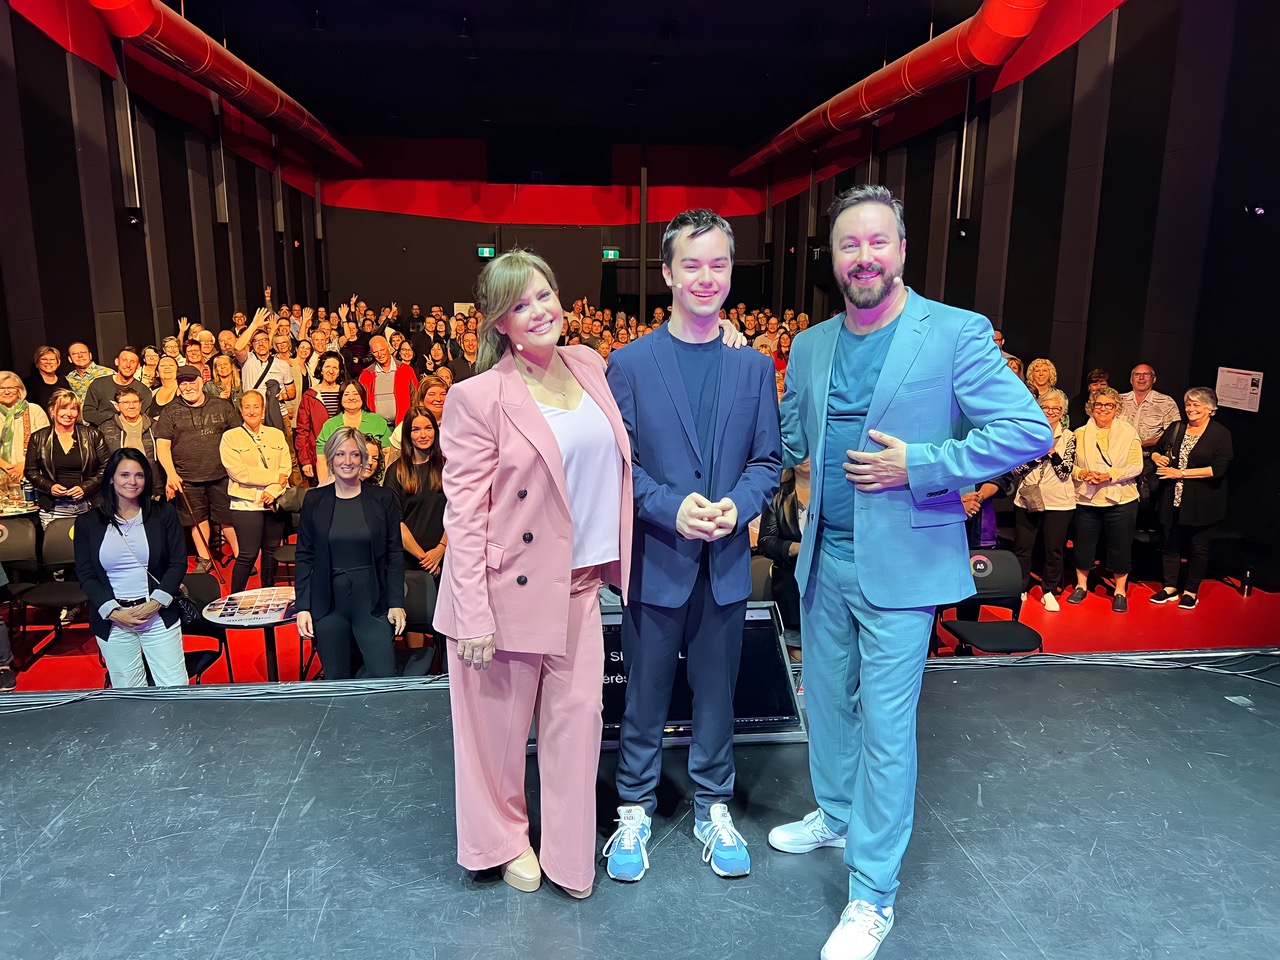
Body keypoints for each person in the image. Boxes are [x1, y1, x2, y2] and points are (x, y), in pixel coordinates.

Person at [774, 185, 1051, 960]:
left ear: (901, 249)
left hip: (902, 570)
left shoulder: (955, 333)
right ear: (833, 260)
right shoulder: (811, 344)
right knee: (825, 704)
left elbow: (1027, 427)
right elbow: (794, 433)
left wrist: (922, 465)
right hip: (823, 559)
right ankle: (834, 815)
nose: (863, 257)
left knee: (887, 731)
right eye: (848, 246)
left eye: (877, 242)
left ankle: (872, 896)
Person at [434, 249, 634, 900]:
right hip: (503, 591)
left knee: (578, 729)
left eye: (544, 294)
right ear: (499, 323)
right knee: (496, 739)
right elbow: (463, 516)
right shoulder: (476, 397)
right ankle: (504, 840)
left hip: (579, 588)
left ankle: (568, 856)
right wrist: (470, 614)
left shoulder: (590, 365)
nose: (539, 310)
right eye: (520, 304)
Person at [604, 209, 780, 885]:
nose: (706, 277)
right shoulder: (630, 363)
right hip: (657, 558)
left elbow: (768, 461)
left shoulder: (755, 366)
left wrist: (740, 506)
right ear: (668, 273)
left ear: (730, 272)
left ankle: (713, 806)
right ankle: (634, 808)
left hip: (727, 560)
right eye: (693, 264)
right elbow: (623, 468)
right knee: (644, 697)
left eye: (719, 264)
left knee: (716, 697)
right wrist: (671, 508)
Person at [295, 427, 405, 680]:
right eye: (341, 454)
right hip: (328, 605)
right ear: (331, 459)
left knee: (384, 676)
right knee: (337, 679)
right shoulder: (314, 500)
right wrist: (303, 606)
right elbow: (304, 556)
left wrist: (397, 602)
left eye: (355, 455)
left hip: (373, 603)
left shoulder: (382, 498)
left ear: (364, 459)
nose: (348, 461)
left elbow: (394, 553)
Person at [73, 448, 189, 687]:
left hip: (158, 616)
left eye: (139, 475)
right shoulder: (88, 523)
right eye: (125, 475)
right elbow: (86, 574)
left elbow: (178, 563)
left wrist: (155, 604)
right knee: (129, 695)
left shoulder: (164, 513)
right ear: (111, 477)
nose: (132, 482)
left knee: (175, 690)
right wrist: (114, 612)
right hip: (113, 620)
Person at [1149, 388, 1232, 609]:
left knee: (1198, 547)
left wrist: (1181, 473)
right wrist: (1160, 459)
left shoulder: (1220, 433)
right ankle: (1169, 587)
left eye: (1197, 405)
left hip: (1202, 501)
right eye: (1188, 404)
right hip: (1171, 498)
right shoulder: (1177, 427)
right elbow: (1156, 450)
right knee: (1169, 544)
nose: (1191, 409)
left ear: (1210, 409)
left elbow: (1218, 469)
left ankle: (1191, 590)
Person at [154, 366, 242, 574]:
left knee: (227, 518)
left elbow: (237, 437)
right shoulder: (170, 411)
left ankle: (240, 555)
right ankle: (204, 558)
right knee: (197, 519)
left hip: (222, 474)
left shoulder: (222, 406)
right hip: (187, 478)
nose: (187, 387)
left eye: (191, 381)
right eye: (182, 383)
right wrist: (171, 474)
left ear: (201, 381)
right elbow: (162, 446)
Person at [1065, 385, 1142, 612]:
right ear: (1091, 407)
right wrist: (1082, 474)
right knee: (1083, 545)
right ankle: (1081, 586)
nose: (1103, 409)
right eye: (1099, 404)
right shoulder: (1078, 433)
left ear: (1117, 408)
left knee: (1120, 546)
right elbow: (1070, 465)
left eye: (1109, 405)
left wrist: (1110, 475)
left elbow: (1136, 465)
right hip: (1087, 499)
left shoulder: (1129, 432)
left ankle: (1119, 591)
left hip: (1122, 499)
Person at [383, 405, 447, 667]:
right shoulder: (396, 471)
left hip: (447, 555)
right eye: (416, 429)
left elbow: (461, 512)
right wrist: (423, 556)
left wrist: (441, 548)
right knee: (415, 622)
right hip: (412, 559)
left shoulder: (449, 466)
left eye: (428, 427)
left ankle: (445, 672)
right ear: (407, 434)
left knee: (446, 622)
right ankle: (420, 673)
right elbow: (394, 521)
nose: (423, 434)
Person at [1009, 388, 1076, 610]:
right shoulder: (1026, 434)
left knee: (1053, 550)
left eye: (1056, 408)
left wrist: (1052, 453)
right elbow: (1016, 469)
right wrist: (1038, 456)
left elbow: (1065, 471)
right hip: (1027, 499)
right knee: (1023, 548)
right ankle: (1019, 588)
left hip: (1059, 502)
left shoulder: (1069, 437)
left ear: (1062, 411)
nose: (1050, 412)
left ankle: (1049, 591)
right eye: (1045, 407)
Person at [220, 391, 292, 595]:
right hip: (246, 504)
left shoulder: (276, 434)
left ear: (263, 410)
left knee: (271, 551)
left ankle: (268, 595)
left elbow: (285, 469)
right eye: (247, 407)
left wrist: (273, 490)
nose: (252, 411)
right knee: (248, 554)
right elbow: (239, 473)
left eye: (256, 407)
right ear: (241, 410)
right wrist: (273, 479)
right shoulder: (230, 437)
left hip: (274, 501)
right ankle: (235, 598)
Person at [25, 389, 110, 527]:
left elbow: (107, 467)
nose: (69, 414)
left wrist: (85, 487)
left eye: (74, 409)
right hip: (53, 509)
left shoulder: (93, 435)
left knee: (86, 547)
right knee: (56, 548)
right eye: (63, 408)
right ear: (52, 410)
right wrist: (49, 487)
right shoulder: (38, 438)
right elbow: (30, 471)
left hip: (87, 505)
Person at [757, 459, 810, 660]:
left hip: (828, 586)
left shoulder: (834, 492)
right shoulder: (776, 495)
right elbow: (765, 540)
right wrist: (794, 548)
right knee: (797, 659)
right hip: (790, 591)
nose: (805, 457)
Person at [314, 381, 391, 484]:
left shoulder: (377, 421)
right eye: (346, 394)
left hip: (373, 481)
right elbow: (322, 459)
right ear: (340, 398)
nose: (351, 398)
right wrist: (324, 487)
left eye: (355, 394)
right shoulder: (330, 425)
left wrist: (382, 482)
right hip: (338, 483)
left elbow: (388, 453)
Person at [97, 386, 164, 493]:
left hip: (150, 484)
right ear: (117, 406)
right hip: (119, 486)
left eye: (135, 402)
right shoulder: (105, 428)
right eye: (126, 403)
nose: (131, 406)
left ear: (140, 405)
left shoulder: (155, 426)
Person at [295, 352, 346, 485]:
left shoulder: (346, 393)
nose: (331, 371)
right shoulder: (310, 395)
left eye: (335, 368)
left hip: (344, 455)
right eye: (327, 366)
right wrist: (305, 460)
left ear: (340, 371)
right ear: (321, 369)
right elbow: (303, 430)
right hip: (317, 456)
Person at [0, 371, 50, 495]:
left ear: (19, 390)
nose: (6, 392)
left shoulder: (34, 410)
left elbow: (47, 443)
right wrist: (5, 466)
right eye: (1, 388)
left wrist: (25, 464)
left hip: (30, 473)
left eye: (11, 387)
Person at [83, 347, 152, 428]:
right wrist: (114, 418)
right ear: (117, 362)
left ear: (138, 366)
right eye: (124, 360)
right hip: (101, 433)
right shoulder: (98, 384)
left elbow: (141, 419)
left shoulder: (144, 391)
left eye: (132, 362)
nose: (128, 365)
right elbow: (88, 413)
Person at [359, 336, 417, 426]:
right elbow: (361, 403)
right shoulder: (366, 374)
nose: (379, 354)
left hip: (402, 426)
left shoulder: (406, 370)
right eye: (375, 352)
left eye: (382, 350)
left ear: (388, 347)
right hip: (376, 427)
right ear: (371, 353)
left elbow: (415, 398)